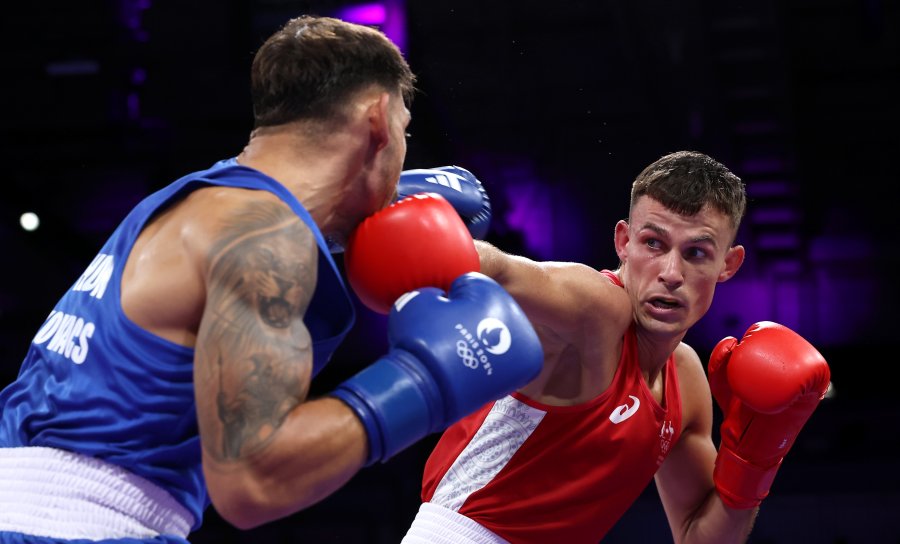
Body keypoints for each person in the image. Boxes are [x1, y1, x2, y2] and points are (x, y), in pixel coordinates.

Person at [0, 15, 544, 543]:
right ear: (377, 119)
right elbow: (252, 481)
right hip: (77, 529)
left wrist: (371, 199)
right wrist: (427, 379)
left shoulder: (201, 201)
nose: (402, 156)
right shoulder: (267, 235)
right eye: (405, 129)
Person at [397, 151, 831, 543]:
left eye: (696, 253)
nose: (671, 273)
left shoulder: (685, 377)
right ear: (623, 241)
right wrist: (405, 222)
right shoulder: (597, 309)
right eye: (653, 244)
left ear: (728, 264)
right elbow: (506, 271)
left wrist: (756, 459)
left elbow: (699, 537)